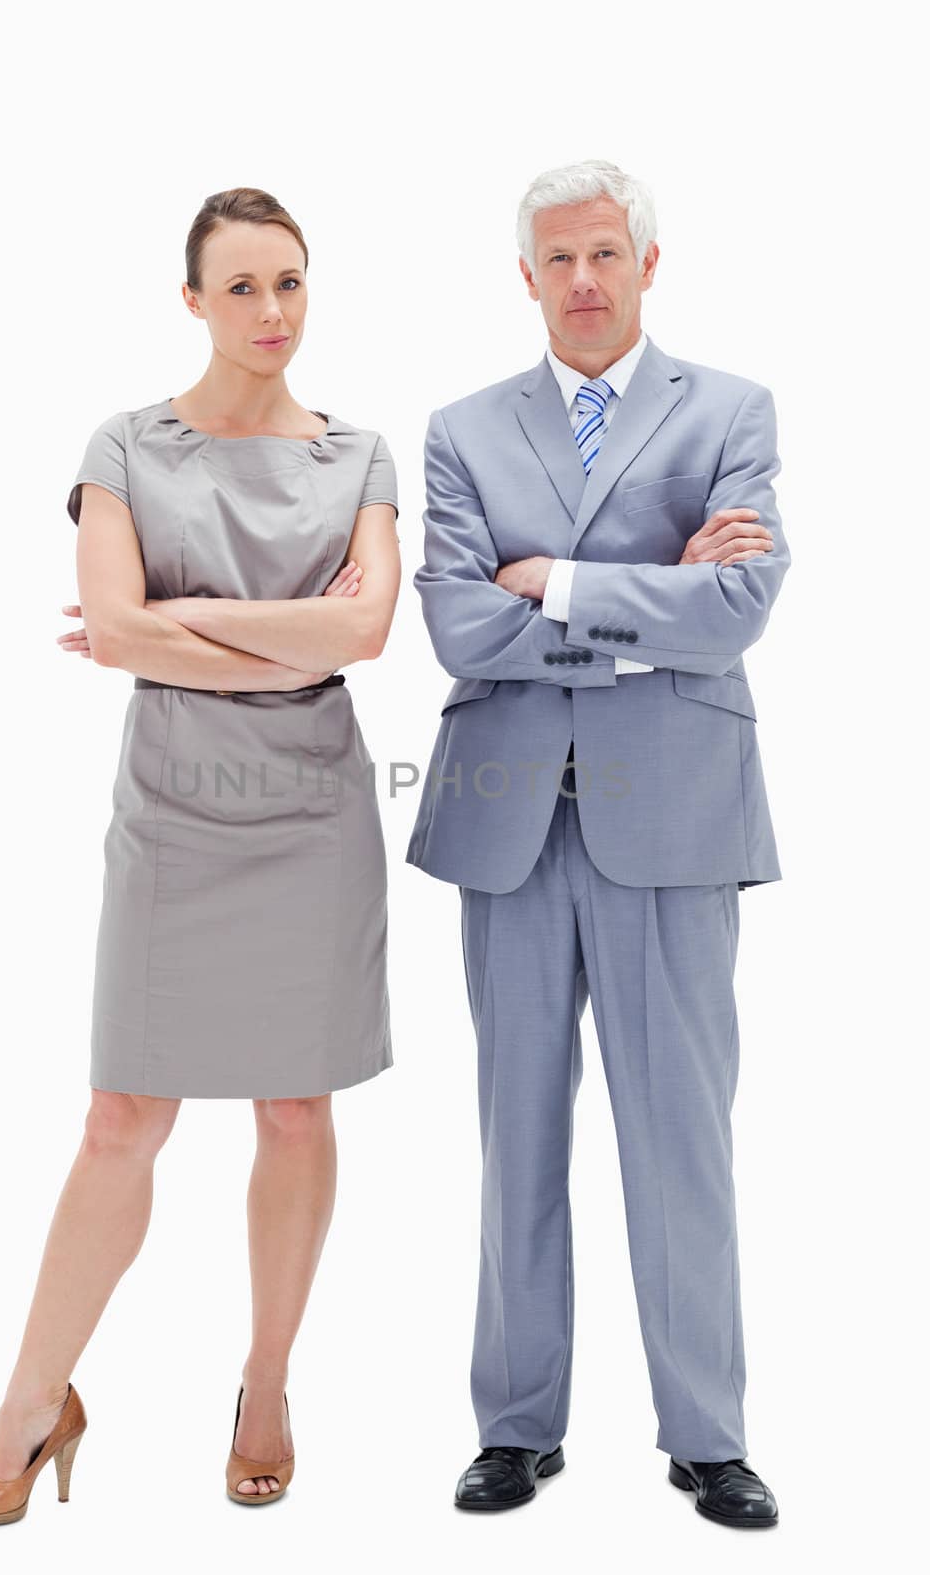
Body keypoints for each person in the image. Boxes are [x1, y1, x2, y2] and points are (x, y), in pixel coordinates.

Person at [0, 187, 401, 1523]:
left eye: (293, 284)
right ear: (193, 299)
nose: (273, 312)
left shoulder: (360, 452)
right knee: (120, 1119)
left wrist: (182, 614)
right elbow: (112, 629)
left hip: (316, 819)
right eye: (245, 286)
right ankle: (30, 1404)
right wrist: (278, 633)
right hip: (173, 818)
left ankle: (265, 1385)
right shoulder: (126, 446)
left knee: (295, 1108)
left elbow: (368, 634)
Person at [406, 158, 786, 1528]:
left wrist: (555, 581)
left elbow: (737, 606)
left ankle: (708, 1433)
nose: (581, 280)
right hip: (507, 816)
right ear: (526, 276)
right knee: (516, 1135)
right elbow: (459, 625)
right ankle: (516, 1427)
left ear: (646, 265)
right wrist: (650, 598)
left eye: (604, 256)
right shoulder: (460, 430)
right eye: (556, 259)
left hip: (675, 818)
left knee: (681, 1135)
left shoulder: (731, 411)